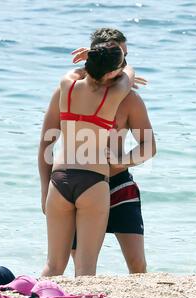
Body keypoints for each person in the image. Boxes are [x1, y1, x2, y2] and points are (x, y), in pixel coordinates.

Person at [38, 28, 156, 274]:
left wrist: (123, 161)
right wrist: (42, 188)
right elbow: (46, 144)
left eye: (124, 54)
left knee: (136, 265)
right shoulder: (114, 93)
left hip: (110, 182)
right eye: (117, 54)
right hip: (93, 183)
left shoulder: (74, 87)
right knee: (82, 266)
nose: (123, 60)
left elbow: (149, 146)